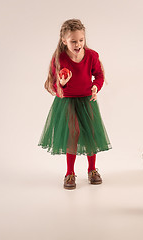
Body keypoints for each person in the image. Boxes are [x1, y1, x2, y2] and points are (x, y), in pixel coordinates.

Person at [38, 19, 111, 190]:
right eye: (73, 41)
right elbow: (54, 83)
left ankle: (92, 170)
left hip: (87, 100)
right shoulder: (60, 58)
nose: (78, 44)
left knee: (91, 133)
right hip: (67, 101)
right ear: (64, 41)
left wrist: (95, 87)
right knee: (74, 132)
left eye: (81, 40)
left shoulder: (92, 55)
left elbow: (99, 75)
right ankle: (69, 172)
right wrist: (62, 83)